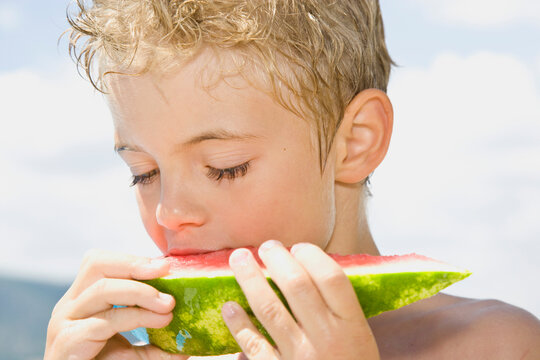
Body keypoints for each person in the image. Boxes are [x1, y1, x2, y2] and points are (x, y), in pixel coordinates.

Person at [45, 1, 540, 359]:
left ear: (356, 142)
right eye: (143, 173)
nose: (168, 212)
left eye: (225, 166)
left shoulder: (500, 345)